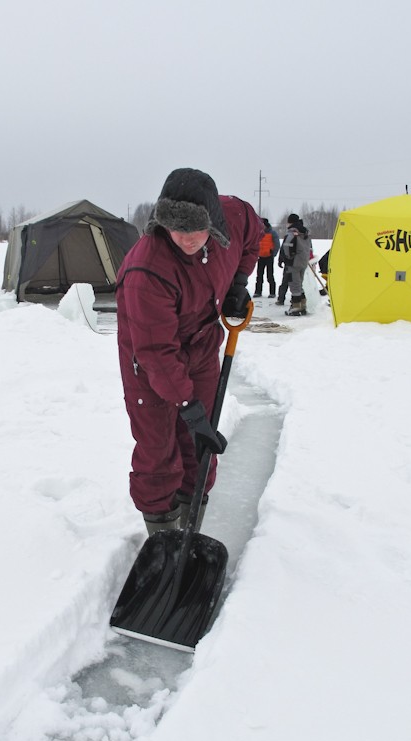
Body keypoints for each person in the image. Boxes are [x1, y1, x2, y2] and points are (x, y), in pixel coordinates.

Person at [116, 168, 261, 535]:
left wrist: (238, 285)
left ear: (212, 220)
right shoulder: (146, 270)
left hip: (200, 348)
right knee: (158, 450)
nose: (187, 238)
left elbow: (252, 231)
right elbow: (156, 353)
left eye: (197, 229)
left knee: (200, 448)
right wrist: (189, 408)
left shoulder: (231, 218)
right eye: (177, 229)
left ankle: (190, 531)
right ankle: (163, 539)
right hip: (149, 364)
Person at [281, 212, 312, 316]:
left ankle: (296, 307)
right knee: (299, 284)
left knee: (294, 284)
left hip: (294, 262)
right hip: (303, 261)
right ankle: (303, 305)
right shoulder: (305, 232)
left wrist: (287, 258)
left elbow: (287, 247)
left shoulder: (292, 232)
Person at [253, 218, 280, 298]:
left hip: (269, 257)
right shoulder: (258, 233)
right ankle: (258, 292)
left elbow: (277, 245)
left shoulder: (273, 233)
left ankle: (272, 292)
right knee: (259, 275)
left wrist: (273, 254)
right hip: (260, 257)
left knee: (270, 275)